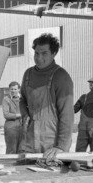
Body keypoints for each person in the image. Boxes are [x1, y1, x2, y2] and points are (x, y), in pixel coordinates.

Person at [19, 33, 74, 161]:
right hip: (30, 138)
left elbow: (67, 114)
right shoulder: (28, 74)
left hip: (52, 142)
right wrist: (25, 114)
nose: (39, 58)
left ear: (54, 53)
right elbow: (22, 99)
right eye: (36, 53)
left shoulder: (61, 76)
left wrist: (61, 146)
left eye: (44, 53)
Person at [74, 77, 93, 152]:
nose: (91, 85)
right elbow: (73, 110)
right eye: (90, 84)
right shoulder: (83, 97)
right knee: (79, 152)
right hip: (83, 130)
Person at [2, 81, 23, 153]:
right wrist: (20, 115)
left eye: (15, 89)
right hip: (11, 126)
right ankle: (9, 163)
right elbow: (6, 114)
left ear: (19, 89)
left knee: (22, 148)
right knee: (11, 148)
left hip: (23, 125)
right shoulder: (6, 99)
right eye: (11, 89)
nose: (13, 91)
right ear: (9, 90)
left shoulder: (23, 99)